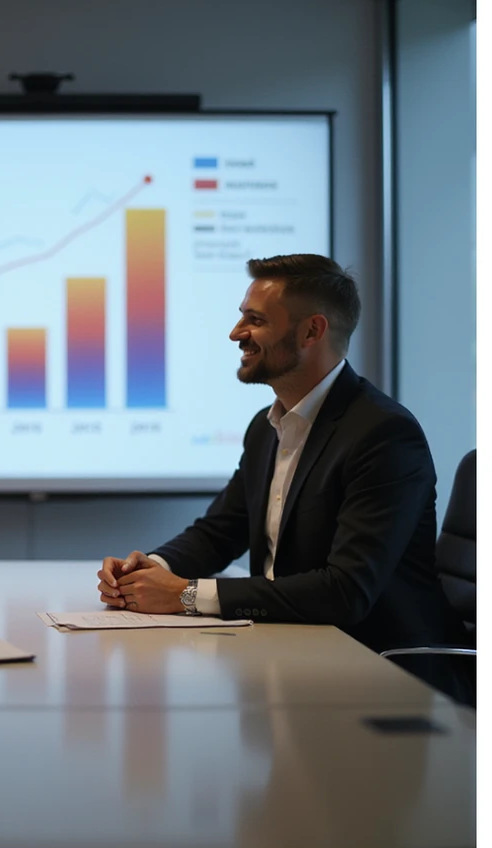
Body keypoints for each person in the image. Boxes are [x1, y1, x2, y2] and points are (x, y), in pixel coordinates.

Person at [97, 254, 471, 703]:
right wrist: (151, 570)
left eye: (254, 320)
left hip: (377, 678)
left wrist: (187, 596)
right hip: (291, 658)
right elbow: (220, 531)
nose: (236, 334)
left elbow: (345, 591)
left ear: (312, 331)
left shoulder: (383, 434)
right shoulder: (266, 427)